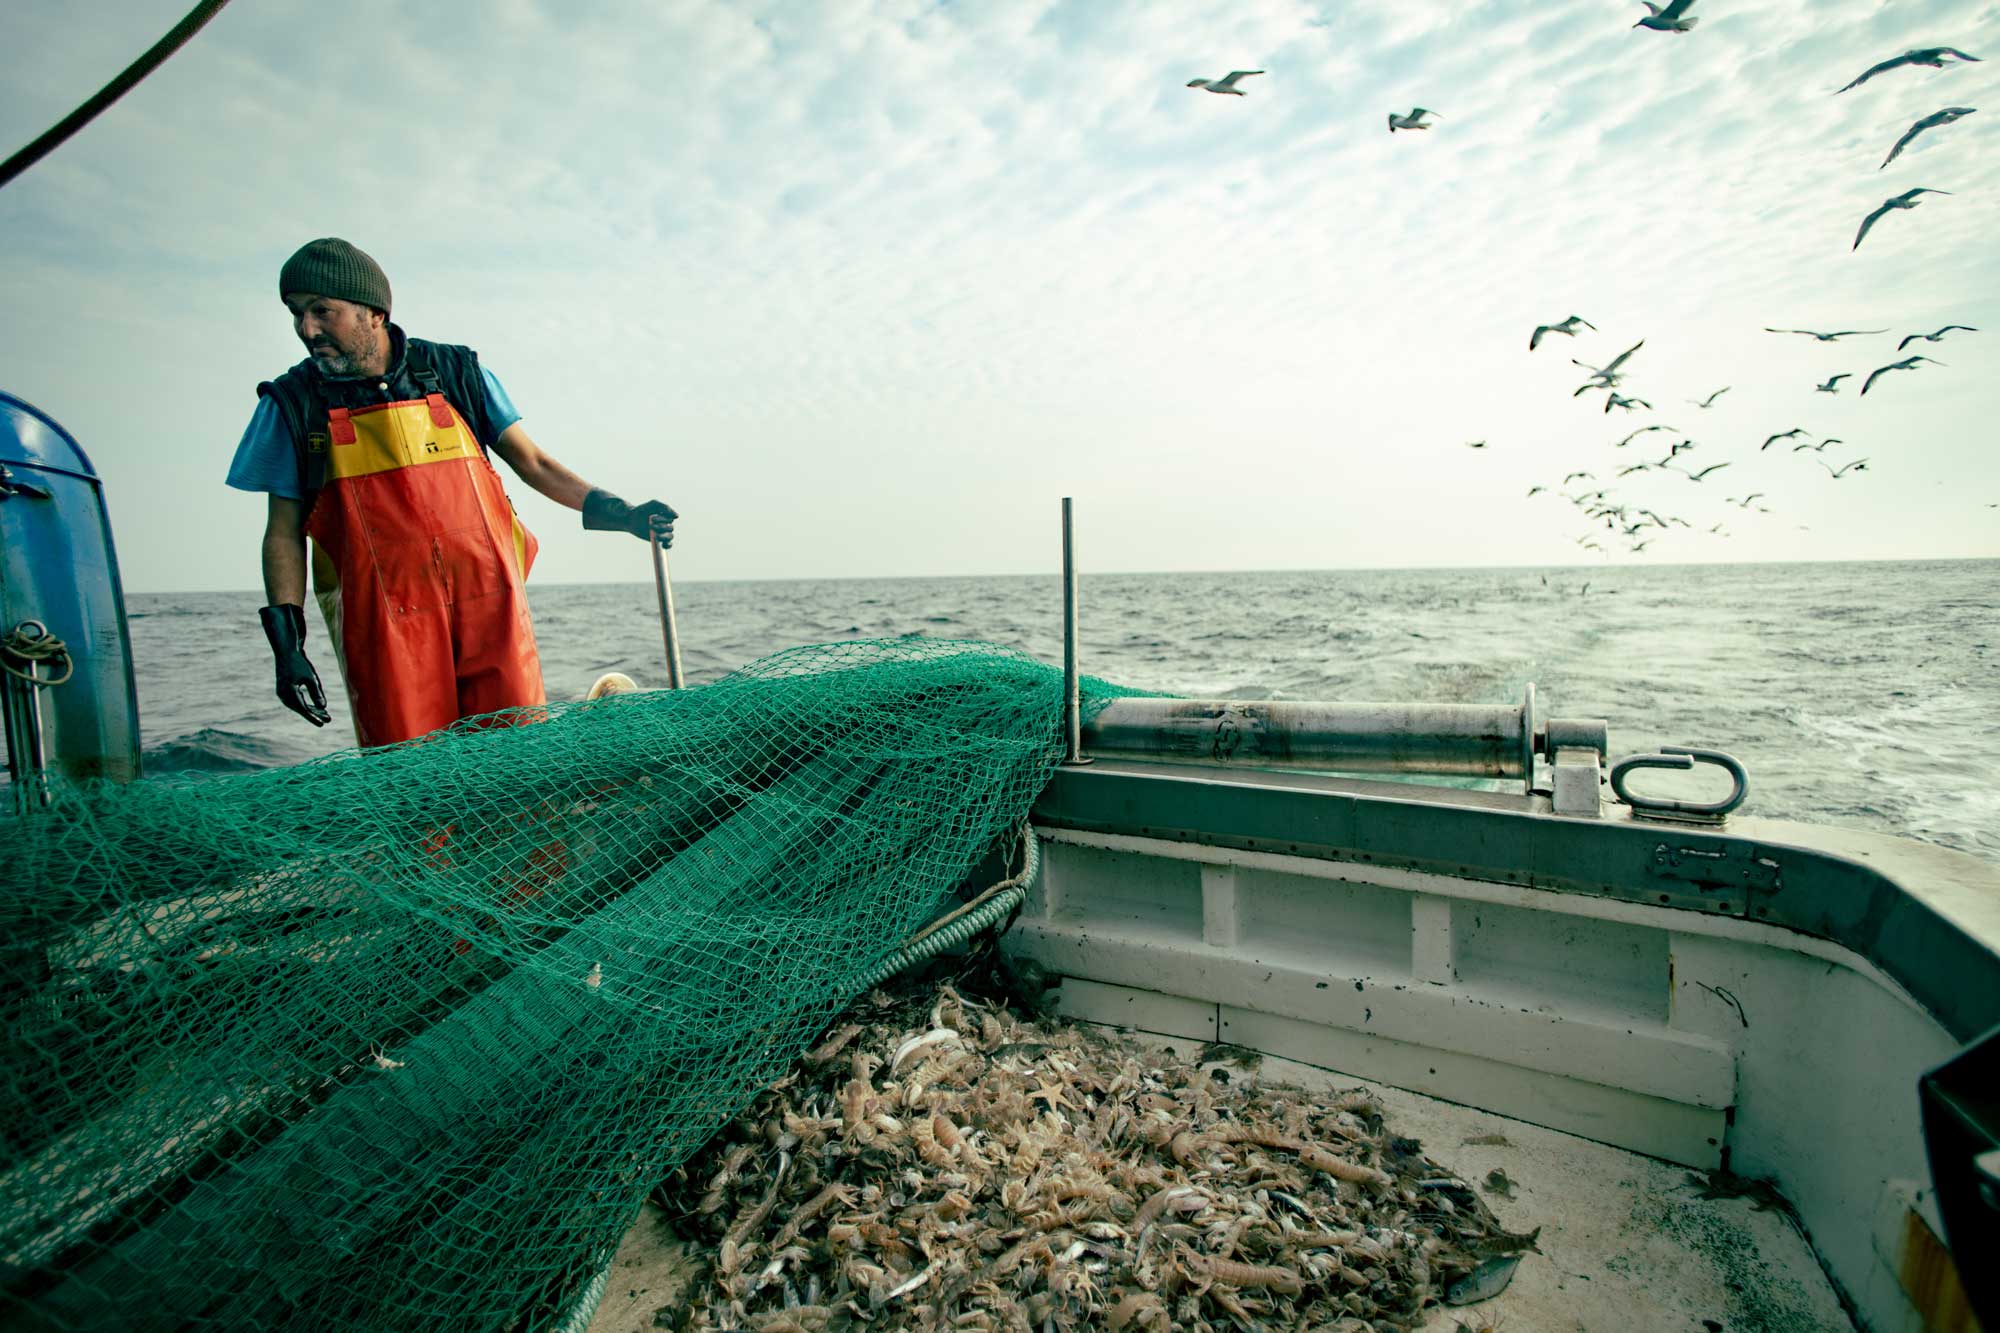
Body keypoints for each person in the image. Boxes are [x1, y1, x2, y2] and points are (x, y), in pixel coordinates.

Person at [226, 238, 675, 747]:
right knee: (412, 775)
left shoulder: (457, 372)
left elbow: (534, 463)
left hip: (494, 609)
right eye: (296, 314)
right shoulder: (290, 404)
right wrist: (286, 642)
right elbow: (284, 532)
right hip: (386, 630)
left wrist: (624, 514)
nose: (307, 330)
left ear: (373, 311)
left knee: (518, 761)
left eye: (322, 311)